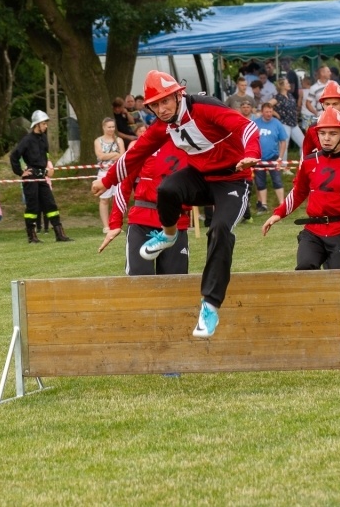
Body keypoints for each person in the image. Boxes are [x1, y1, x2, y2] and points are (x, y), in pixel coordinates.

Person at [93, 70, 261, 339]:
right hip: (200, 177)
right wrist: (108, 180)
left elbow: (247, 127)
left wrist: (251, 154)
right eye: (155, 105)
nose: (161, 109)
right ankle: (169, 235)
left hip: (232, 180)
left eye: (165, 102)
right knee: (168, 188)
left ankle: (210, 305)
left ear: (177, 94)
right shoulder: (164, 125)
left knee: (219, 230)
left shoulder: (205, 108)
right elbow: (135, 154)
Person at [262, 107, 340, 270]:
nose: (326, 138)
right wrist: (278, 213)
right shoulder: (308, 162)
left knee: (338, 283)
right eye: (322, 133)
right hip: (313, 232)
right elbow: (298, 192)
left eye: (332, 133)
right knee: (304, 268)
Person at [99, 141, 190, 276]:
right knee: (139, 281)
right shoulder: (146, 145)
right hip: (143, 223)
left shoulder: (193, 145)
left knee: (175, 283)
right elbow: (124, 183)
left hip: (177, 223)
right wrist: (115, 223)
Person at [10, 110, 73, 243]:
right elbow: (14, 156)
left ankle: (59, 234)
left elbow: (46, 155)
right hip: (31, 177)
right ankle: (32, 236)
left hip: (42, 176)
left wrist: (48, 166)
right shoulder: (26, 140)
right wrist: (20, 172)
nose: (46, 126)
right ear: (37, 124)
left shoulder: (43, 138)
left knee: (50, 204)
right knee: (32, 207)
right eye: (44, 123)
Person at [253, 103, 287, 214]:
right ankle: (263, 205)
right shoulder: (256, 123)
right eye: (267, 112)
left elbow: (283, 141)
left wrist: (280, 157)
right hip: (258, 158)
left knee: (277, 180)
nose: (269, 114)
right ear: (262, 112)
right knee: (260, 182)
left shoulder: (277, 124)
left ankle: (282, 204)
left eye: (271, 111)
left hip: (273, 157)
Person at [94, 117, 126, 233]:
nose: (111, 129)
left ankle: (116, 225)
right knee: (104, 199)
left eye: (113, 127)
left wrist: (110, 155)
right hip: (103, 173)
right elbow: (100, 156)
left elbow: (122, 155)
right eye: (109, 127)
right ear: (104, 127)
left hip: (117, 173)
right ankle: (106, 226)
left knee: (117, 200)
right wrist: (114, 154)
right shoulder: (98, 141)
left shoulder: (119, 140)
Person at [269, 77, 303, 172]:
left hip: (294, 123)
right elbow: (267, 105)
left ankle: (303, 163)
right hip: (284, 124)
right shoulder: (278, 97)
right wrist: (276, 114)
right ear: (283, 86)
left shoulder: (290, 95)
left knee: (304, 143)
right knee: (284, 146)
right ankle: (284, 168)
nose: (289, 84)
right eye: (287, 83)